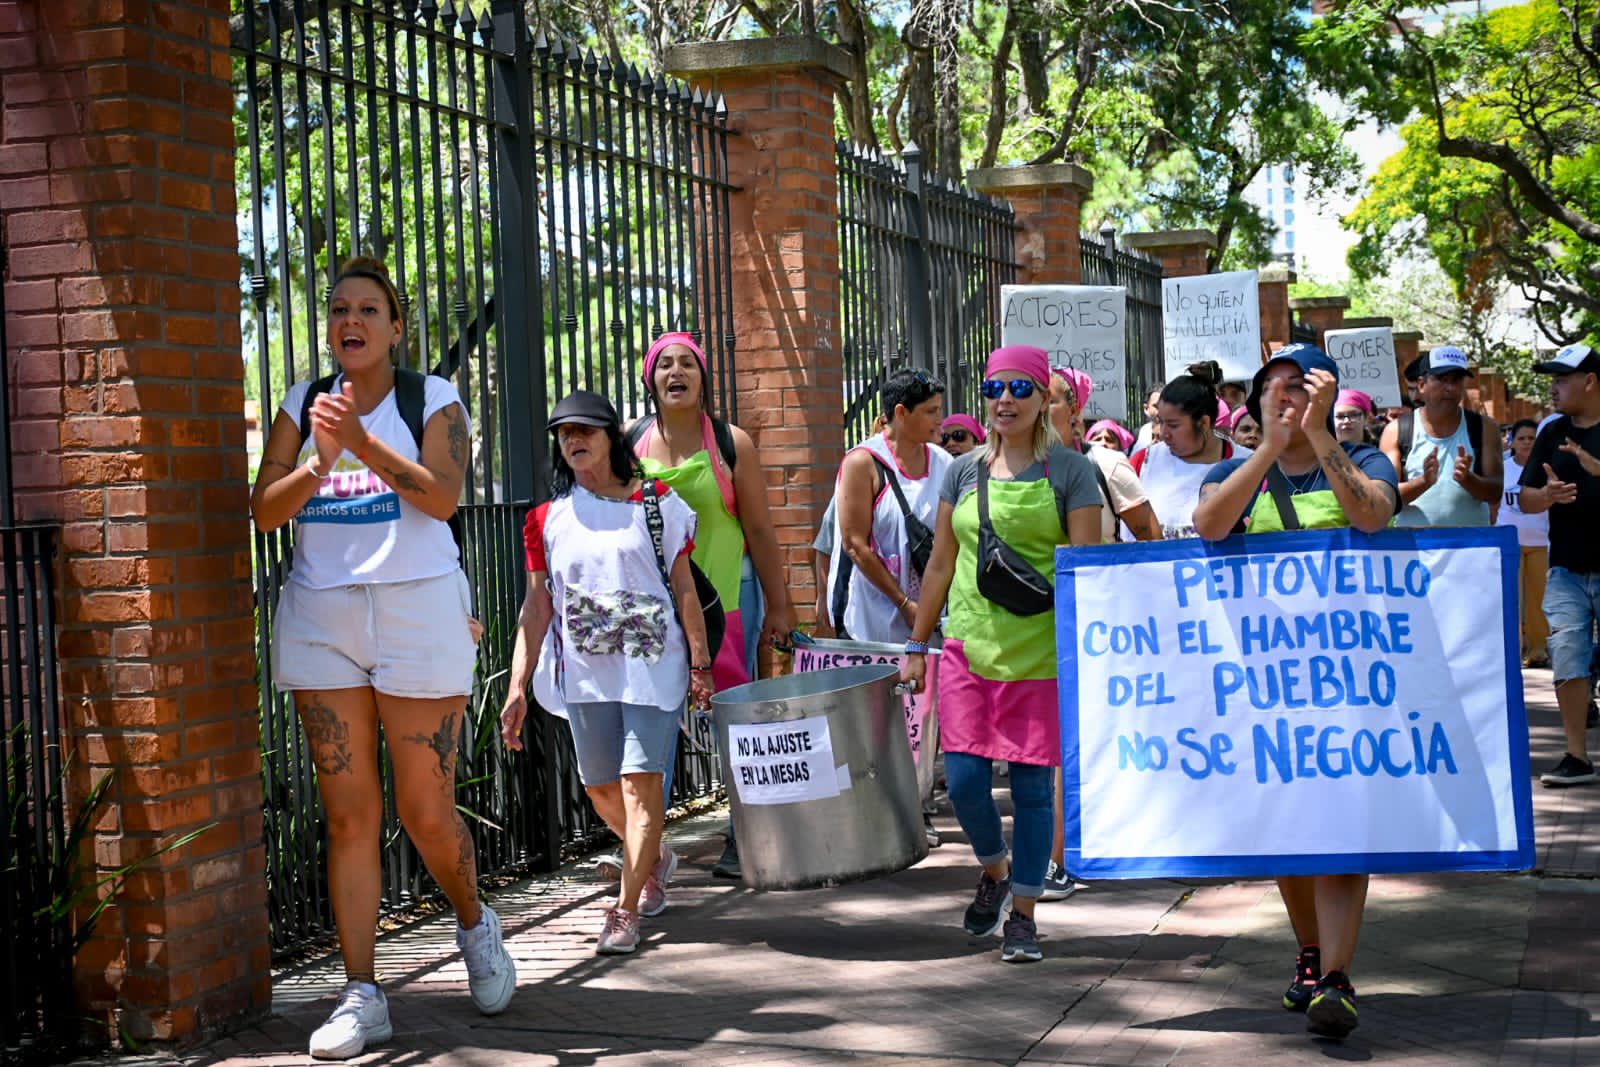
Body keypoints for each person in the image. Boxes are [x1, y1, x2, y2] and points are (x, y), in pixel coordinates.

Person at [250, 257, 515, 1059]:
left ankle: (475, 923)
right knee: (348, 814)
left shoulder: (433, 399)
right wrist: (319, 460)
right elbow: (263, 511)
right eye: (338, 308)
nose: (349, 319)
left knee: (424, 812)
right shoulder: (303, 402)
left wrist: (363, 439)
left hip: (417, 608)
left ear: (396, 327)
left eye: (368, 308)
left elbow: (441, 495)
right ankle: (363, 993)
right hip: (323, 614)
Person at [1192, 343, 1399, 1040]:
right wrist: (1268, 451)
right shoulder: (1233, 469)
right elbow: (1210, 525)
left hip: (1348, 682)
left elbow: (1371, 515)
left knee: (1343, 830)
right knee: (1290, 832)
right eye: (1273, 388)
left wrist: (1318, 437)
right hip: (1265, 689)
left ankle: (1337, 977)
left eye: (1302, 386)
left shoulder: (1362, 461)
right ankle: (1310, 950)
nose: (1286, 395)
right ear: (1251, 404)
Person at [900, 345, 1102, 964]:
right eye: (994, 387)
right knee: (962, 782)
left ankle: (1024, 915)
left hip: (1042, 654)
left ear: (1044, 398)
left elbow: (1084, 571)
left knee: (1035, 792)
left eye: (1020, 387)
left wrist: (1085, 658)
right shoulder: (961, 472)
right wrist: (917, 643)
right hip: (966, 647)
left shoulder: (1072, 472)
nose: (1005, 399)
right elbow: (939, 562)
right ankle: (994, 869)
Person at [500, 390, 714, 954]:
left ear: (612, 437)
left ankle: (624, 909)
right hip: (587, 677)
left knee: (640, 787)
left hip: (654, 669)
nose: (573, 441)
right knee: (600, 790)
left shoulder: (658, 503)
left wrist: (699, 661)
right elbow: (536, 605)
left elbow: (686, 588)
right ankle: (655, 858)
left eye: (584, 431)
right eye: (563, 434)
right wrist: (517, 683)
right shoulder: (546, 519)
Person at [629, 331, 797, 879]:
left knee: (734, 718)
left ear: (703, 378)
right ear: (650, 380)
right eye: (664, 365)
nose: (676, 373)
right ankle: (646, 846)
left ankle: (742, 831)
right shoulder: (629, 445)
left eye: (687, 364)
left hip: (728, 599)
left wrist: (779, 605)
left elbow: (761, 531)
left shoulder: (731, 443)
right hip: (655, 610)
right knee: (655, 719)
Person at [1516, 342, 1600, 787]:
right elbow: (1525, 498)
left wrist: (1594, 467)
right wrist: (1544, 497)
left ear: (1590, 382)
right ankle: (1576, 757)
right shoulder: (1551, 431)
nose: (1554, 387)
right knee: (1567, 657)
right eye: (1553, 379)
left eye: (1563, 379)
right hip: (1565, 568)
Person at [829, 369, 950, 644]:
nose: (939, 420)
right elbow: (855, 545)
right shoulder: (863, 463)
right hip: (871, 622)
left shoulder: (945, 464)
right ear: (902, 412)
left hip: (931, 621)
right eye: (930, 411)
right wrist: (904, 603)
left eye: (939, 410)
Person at [1381, 345, 1500, 528]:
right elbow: (1385, 497)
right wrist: (1424, 482)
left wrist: (1468, 479)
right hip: (1414, 551)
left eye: (1456, 380)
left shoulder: (1485, 428)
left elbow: (1495, 492)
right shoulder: (1396, 431)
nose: (1450, 388)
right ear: (1421, 385)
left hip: (1471, 550)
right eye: (1442, 380)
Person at [1128, 361, 1250, 540]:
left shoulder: (1249, 465)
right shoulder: (1142, 462)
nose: (1164, 434)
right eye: (1161, 422)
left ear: (1204, 423)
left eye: (1173, 425)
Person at [1499, 418, 1551, 669]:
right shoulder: (1503, 469)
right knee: (1511, 599)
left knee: (1538, 600)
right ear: (1512, 441)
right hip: (1509, 542)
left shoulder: (1546, 469)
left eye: (1532, 438)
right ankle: (1513, 649)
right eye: (1522, 438)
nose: (1527, 443)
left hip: (1541, 542)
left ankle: (1538, 650)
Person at [1133, 385, 1164, 450]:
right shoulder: (1137, 435)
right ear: (1146, 409)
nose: (1161, 410)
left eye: (1165, 405)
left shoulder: (1178, 434)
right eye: (1156, 406)